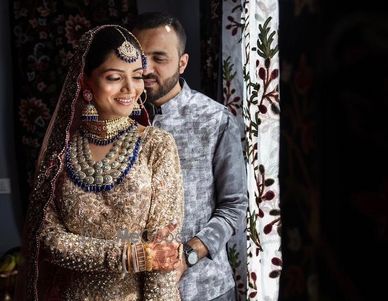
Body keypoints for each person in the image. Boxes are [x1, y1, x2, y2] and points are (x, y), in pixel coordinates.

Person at [15, 25, 184, 300]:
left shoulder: (156, 145)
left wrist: (148, 259)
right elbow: (49, 239)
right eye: (115, 77)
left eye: (137, 76)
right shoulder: (61, 150)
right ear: (86, 83)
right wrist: (131, 256)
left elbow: (162, 256)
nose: (130, 88)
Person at [132, 12, 248, 301]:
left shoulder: (214, 120)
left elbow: (234, 206)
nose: (146, 68)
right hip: (130, 290)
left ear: (182, 63)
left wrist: (188, 256)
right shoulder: (115, 121)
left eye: (159, 58)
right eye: (138, 58)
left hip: (205, 289)